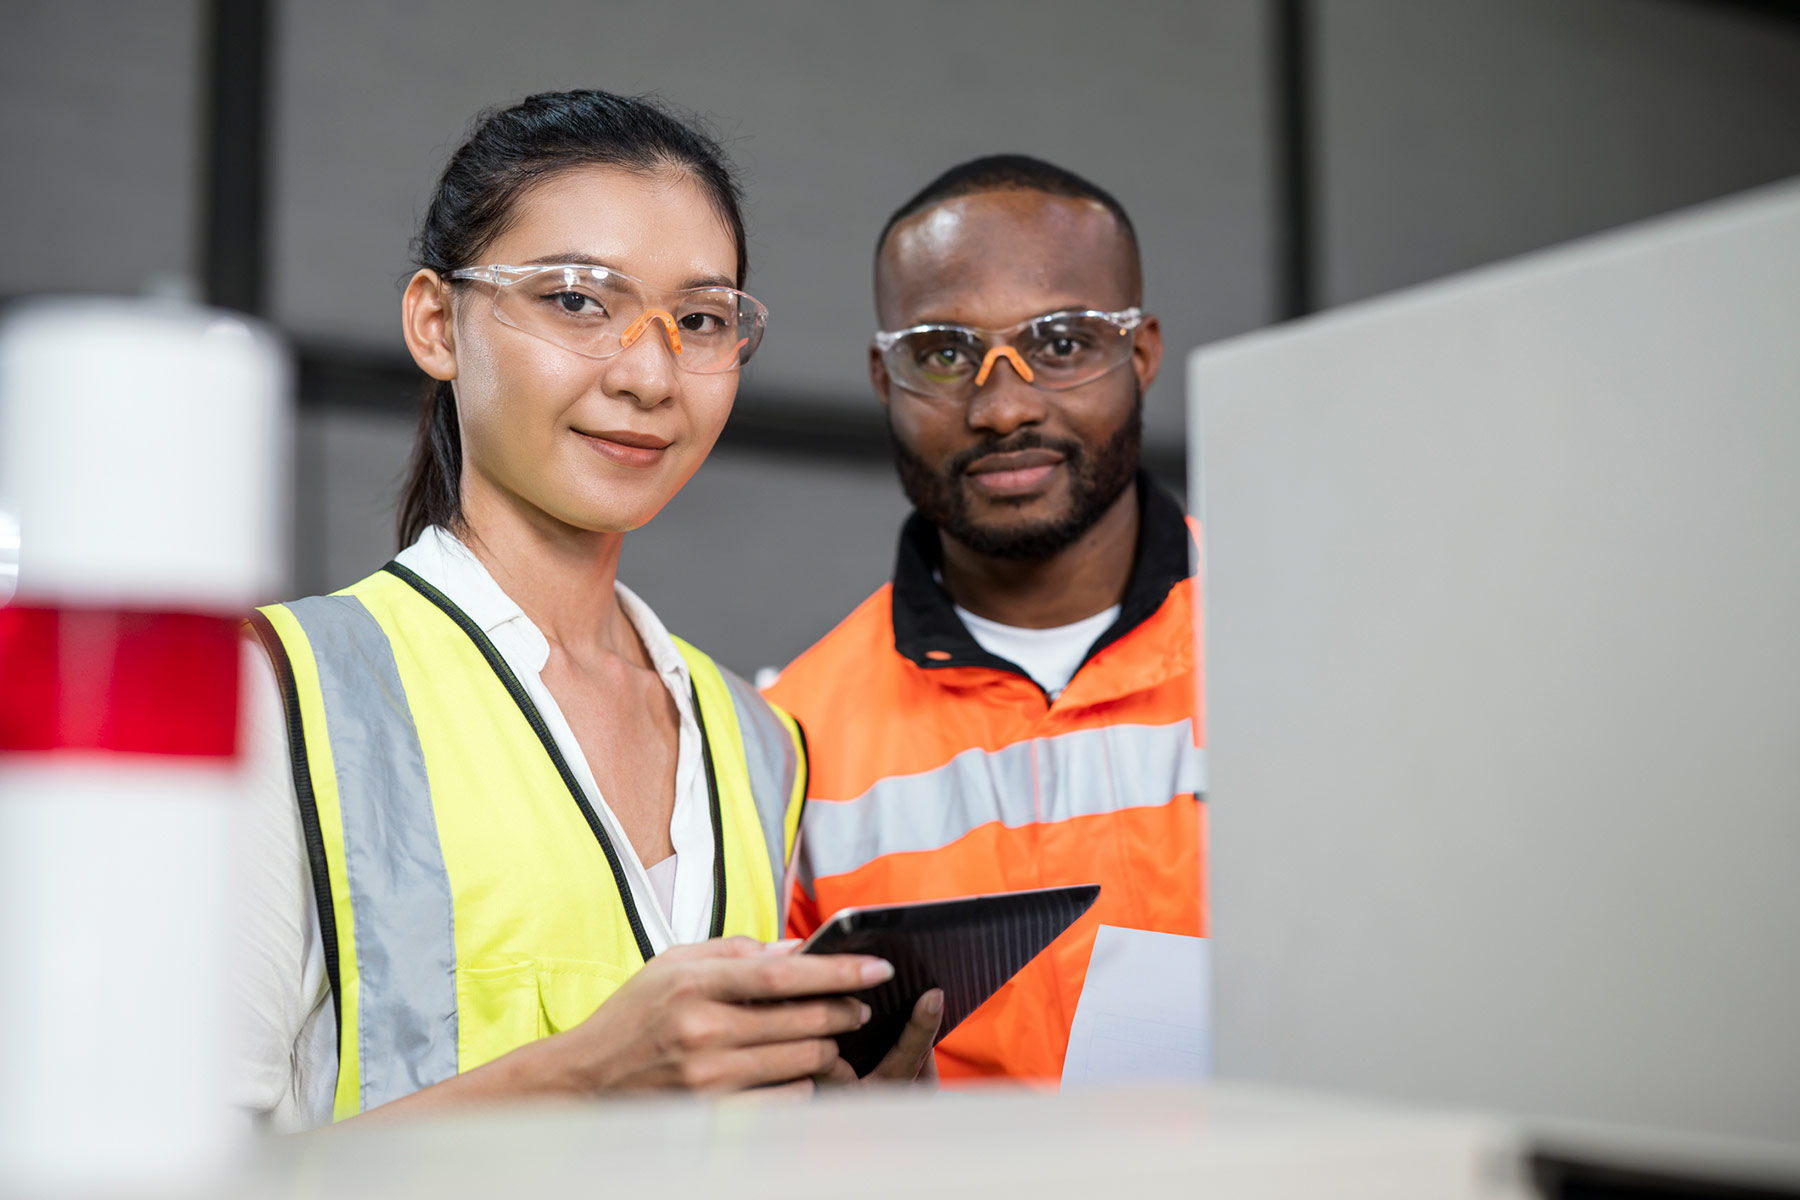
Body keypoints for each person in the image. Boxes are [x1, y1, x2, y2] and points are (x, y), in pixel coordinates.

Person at [235, 90, 939, 1130]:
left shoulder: (759, 744)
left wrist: (835, 1132)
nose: (649, 374)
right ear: (436, 322)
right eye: (576, 300)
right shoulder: (278, 693)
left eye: (699, 320)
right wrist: (583, 1076)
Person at [765, 155, 1204, 1084]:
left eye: (1062, 343)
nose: (1003, 407)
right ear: (886, 380)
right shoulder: (789, 736)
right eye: (942, 352)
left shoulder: (1308, 638)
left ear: (1144, 352)